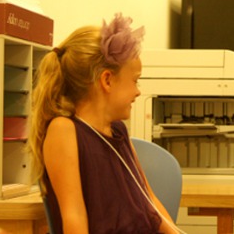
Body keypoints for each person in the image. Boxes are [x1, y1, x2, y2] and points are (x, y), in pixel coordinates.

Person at [27, 13, 182, 234]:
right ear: (107, 80)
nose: (138, 91)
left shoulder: (118, 130)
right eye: (135, 80)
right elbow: (74, 216)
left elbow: (149, 201)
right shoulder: (64, 130)